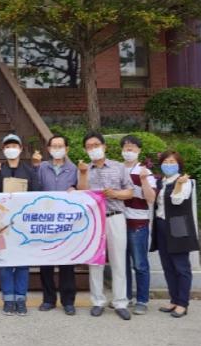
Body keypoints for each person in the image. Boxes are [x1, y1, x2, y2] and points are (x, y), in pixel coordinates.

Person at [77, 132, 134, 321]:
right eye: (89, 146)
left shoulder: (119, 167)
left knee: (118, 261)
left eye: (96, 145)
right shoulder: (84, 169)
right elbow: (81, 193)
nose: (93, 149)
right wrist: (83, 173)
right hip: (94, 220)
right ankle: (97, 301)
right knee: (95, 261)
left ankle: (120, 302)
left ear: (104, 146)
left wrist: (115, 194)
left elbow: (130, 192)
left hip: (115, 216)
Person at [0, 134, 39, 316]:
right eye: (8, 146)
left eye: (14, 146)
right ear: (3, 150)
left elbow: (36, 194)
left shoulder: (29, 171)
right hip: (3, 225)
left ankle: (21, 299)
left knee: (23, 263)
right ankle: (8, 299)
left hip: (23, 223)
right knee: (5, 263)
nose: (11, 149)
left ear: (20, 149)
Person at [32, 134, 78, 316]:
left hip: (66, 222)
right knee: (46, 262)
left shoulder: (74, 169)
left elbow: (80, 189)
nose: (57, 149)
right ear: (48, 149)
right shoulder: (42, 167)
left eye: (61, 146)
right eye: (54, 146)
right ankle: (48, 299)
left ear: (67, 149)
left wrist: (75, 189)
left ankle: (68, 301)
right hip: (46, 220)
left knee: (67, 263)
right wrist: (35, 166)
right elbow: (35, 188)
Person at [151, 151, 199, 318]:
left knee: (181, 266)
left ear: (179, 164)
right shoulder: (160, 182)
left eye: (172, 162)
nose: (169, 165)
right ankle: (174, 299)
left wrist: (179, 184)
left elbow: (177, 200)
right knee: (167, 265)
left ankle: (183, 303)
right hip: (161, 225)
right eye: (166, 161)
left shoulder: (185, 182)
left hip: (178, 225)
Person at [120, 135, 156, 315]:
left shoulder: (144, 172)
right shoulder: (117, 170)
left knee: (140, 264)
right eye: (126, 147)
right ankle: (125, 297)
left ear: (139, 150)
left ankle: (142, 300)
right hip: (119, 222)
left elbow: (151, 198)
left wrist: (142, 181)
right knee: (122, 264)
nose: (129, 150)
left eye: (133, 147)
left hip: (138, 224)